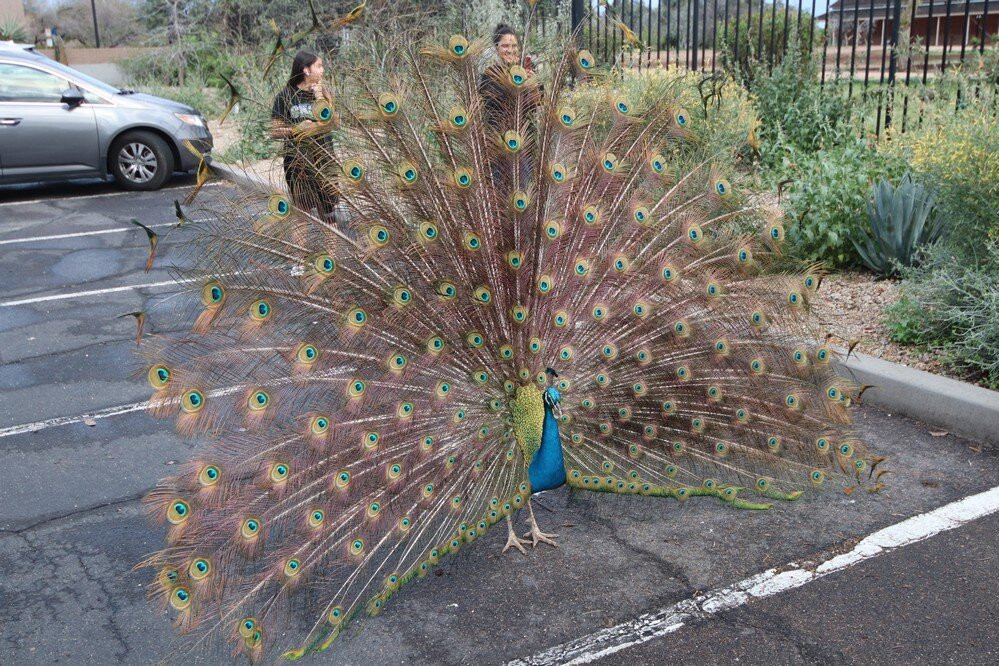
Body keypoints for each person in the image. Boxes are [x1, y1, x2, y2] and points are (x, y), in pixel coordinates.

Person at [271, 51, 341, 223]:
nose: (323, 70)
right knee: (302, 213)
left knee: (329, 215)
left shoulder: (325, 94)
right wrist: (297, 129)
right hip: (298, 163)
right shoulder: (285, 96)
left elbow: (335, 124)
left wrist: (319, 97)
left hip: (324, 161)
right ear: (306, 70)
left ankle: (330, 252)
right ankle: (299, 251)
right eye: (319, 66)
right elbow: (275, 131)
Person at [478, 24, 541, 187]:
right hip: (499, 145)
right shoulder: (490, 75)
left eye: (514, 46)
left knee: (524, 191)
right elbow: (490, 102)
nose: (510, 50)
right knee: (499, 190)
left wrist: (533, 85)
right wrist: (514, 84)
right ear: (497, 48)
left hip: (524, 146)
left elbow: (539, 102)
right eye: (505, 45)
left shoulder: (528, 73)